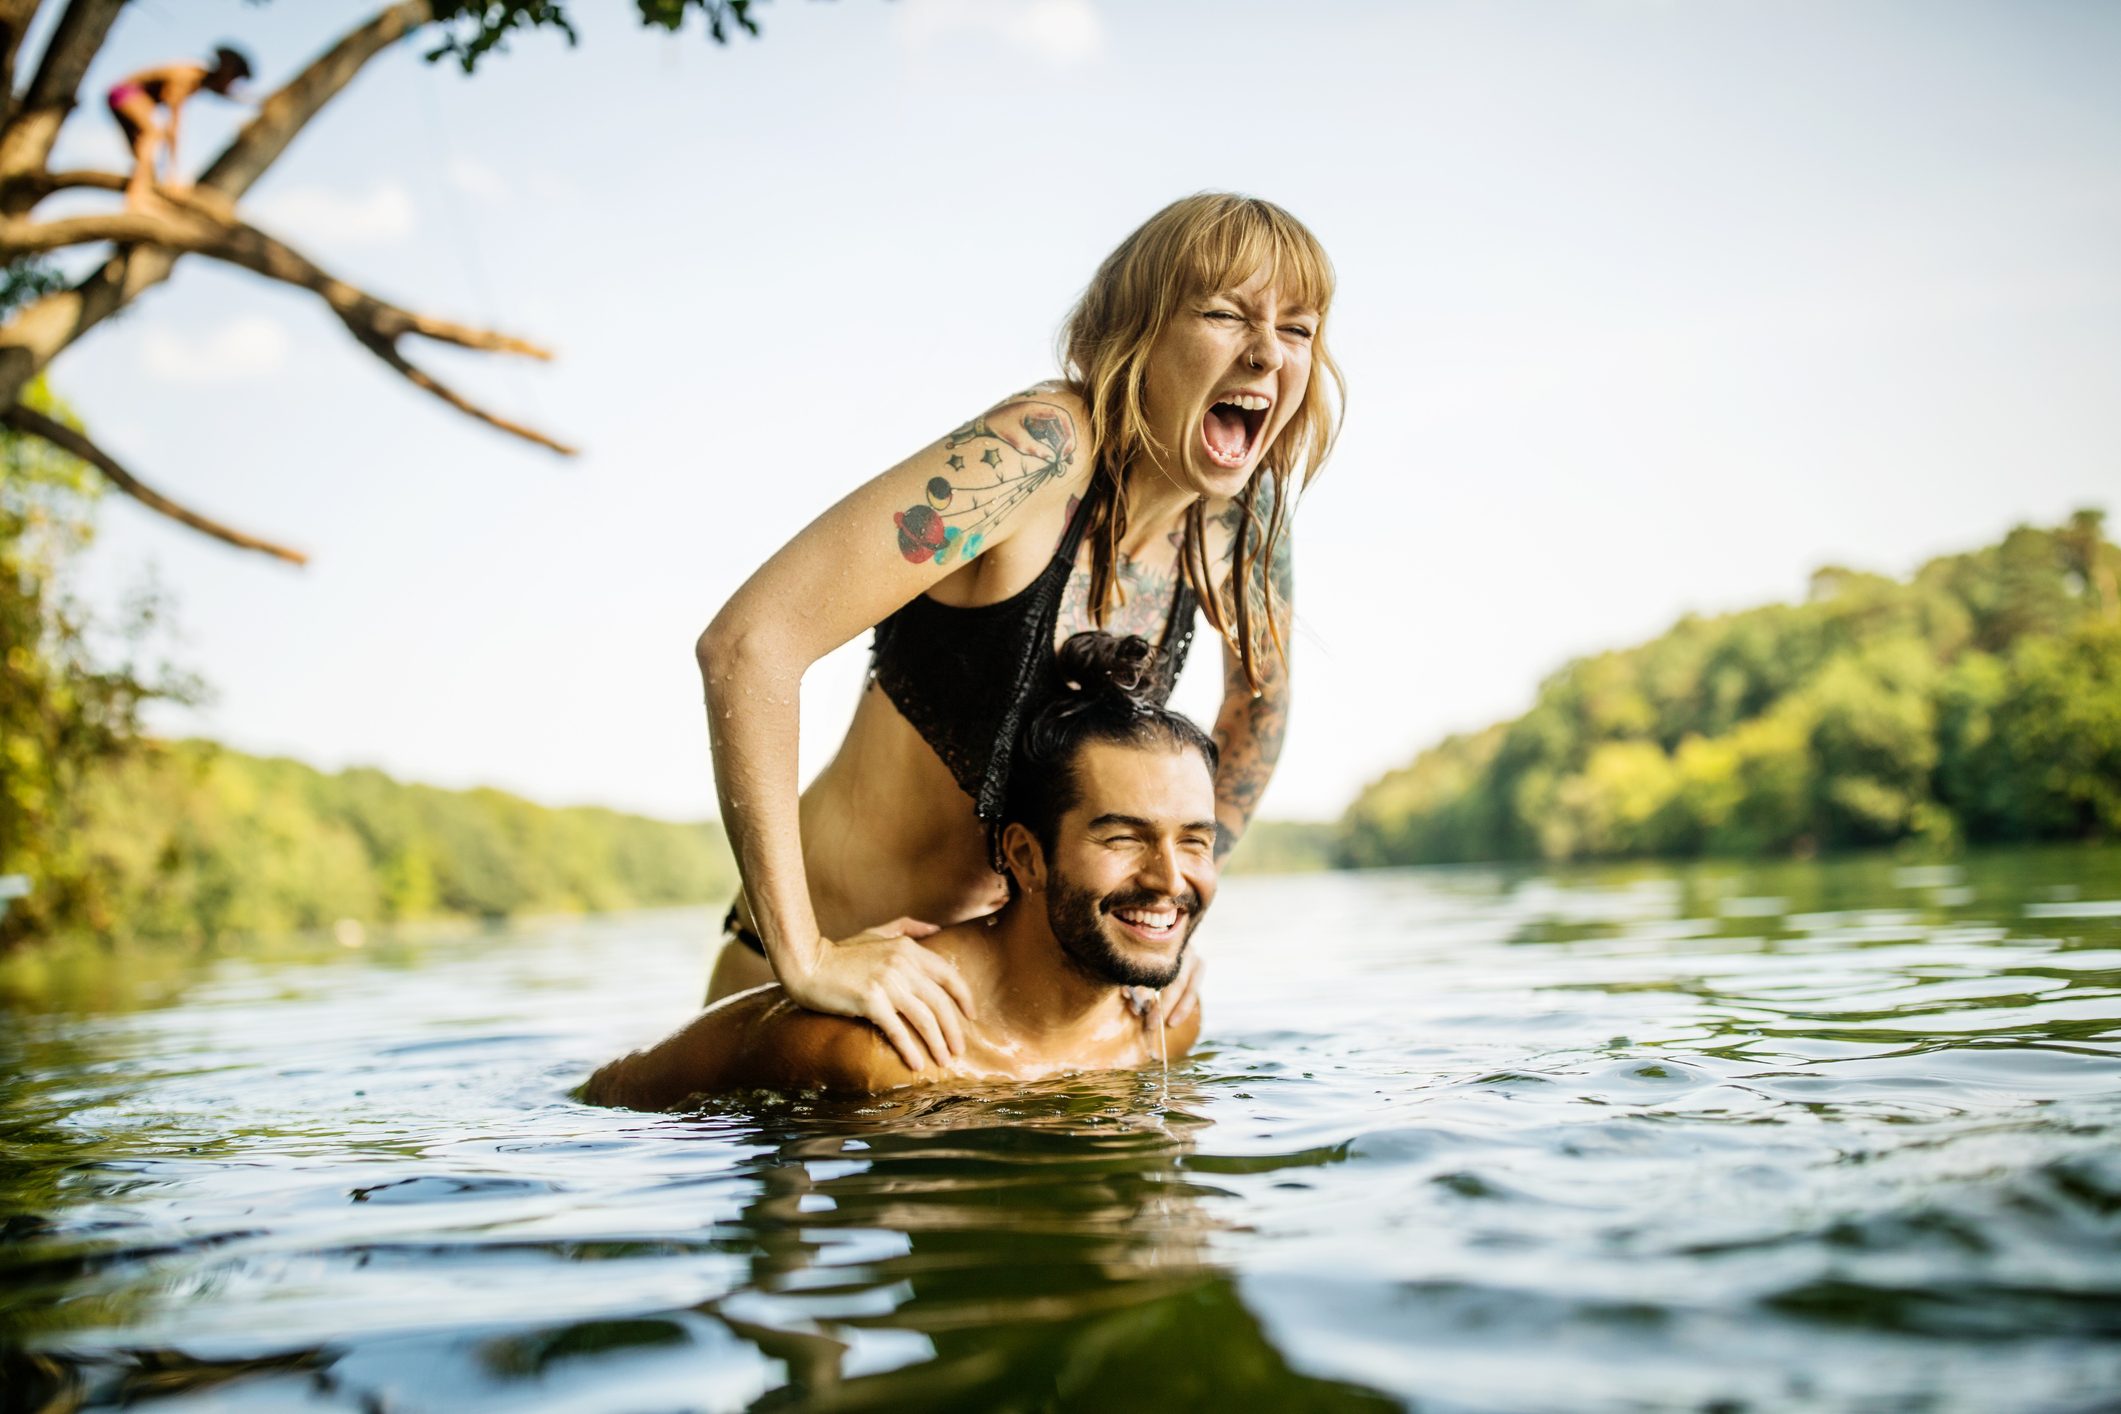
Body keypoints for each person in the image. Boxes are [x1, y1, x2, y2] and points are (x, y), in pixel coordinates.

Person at [696, 193, 1345, 1073]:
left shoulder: (1239, 514)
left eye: (1298, 329)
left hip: (1002, 1004)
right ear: (1137, 333)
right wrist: (807, 953)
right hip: (824, 984)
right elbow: (749, 643)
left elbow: (1258, 709)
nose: (1266, 351)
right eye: (1225, 314)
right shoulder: (1036, 452)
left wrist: (1164, 911)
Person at [588, 634, 1216, 1109]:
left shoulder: (1164, 1029)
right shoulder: (880, 1050)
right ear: (1027, 856)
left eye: (1194, 842)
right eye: (1124, 838)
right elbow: (610, 1094)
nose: (1168, 878)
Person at [106, 45, 253, 209]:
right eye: (233, 79)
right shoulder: (187, 76)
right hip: (125, 93)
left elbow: (226, 95)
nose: (232, 84)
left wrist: (255, 101)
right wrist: (173, 171)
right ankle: (136, 197)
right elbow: (174, 122)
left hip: (122, 97)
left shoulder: (203, 81)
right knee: (153, 134)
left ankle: (147, 192)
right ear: (226, 72)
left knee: (145, 154)